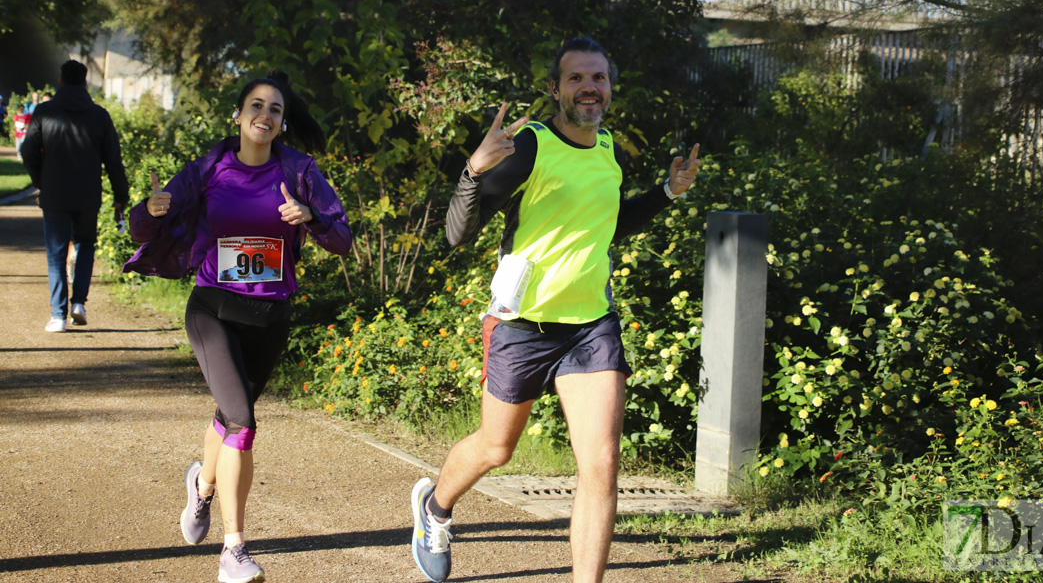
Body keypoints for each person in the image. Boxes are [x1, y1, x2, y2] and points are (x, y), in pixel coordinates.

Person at [411, 37, 701, 583]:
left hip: (591, 326)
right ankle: (435, 507)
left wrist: (666, 191)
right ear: (556, 89)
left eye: (599, 78)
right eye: (576, 79)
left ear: (610, 89)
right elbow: (456, 235)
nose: (589, 87)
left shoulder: (610, 148)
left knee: (601, 467)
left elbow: (610, 223)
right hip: (522, 325)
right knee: (497, 449)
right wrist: (472, 172)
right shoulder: (530, 147)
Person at [122, 69, 352, 583]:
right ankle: (235, 552)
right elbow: (142, 224)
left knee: (228, 420)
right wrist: (150, 209)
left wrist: (311, 218)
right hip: (213, 310)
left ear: (282, 123)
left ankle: (202, 486)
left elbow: (342, 239)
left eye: (274, 109)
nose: (264, 115)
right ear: (239, 114)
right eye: (255, 105)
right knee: (243, 423)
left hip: (270, 316)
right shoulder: (210, 167)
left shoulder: (299, 172)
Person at [20, 61, 129, 332]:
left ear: (60, 81)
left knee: (56, 253)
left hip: (54, 194)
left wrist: (40, 182)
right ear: (85, 82)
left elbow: (29, 152)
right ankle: (79, 303)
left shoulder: (44, 112)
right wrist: (120, 196)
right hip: (87, 193)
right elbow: (113, 160)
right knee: (85, 245)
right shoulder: (100, 115)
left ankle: (58, 315)